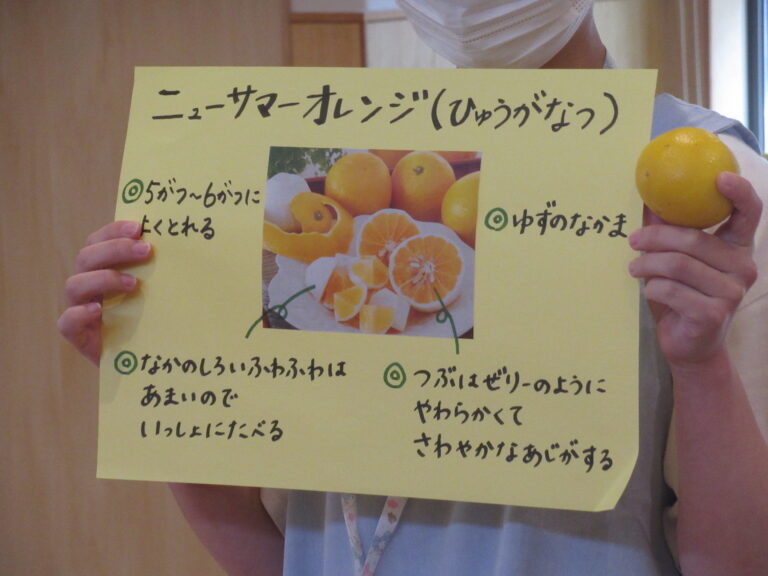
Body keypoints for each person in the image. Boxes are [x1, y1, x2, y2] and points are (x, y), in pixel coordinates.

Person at [58, 1, 768, 574]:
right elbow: (290, 557)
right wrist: (162, 371)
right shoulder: (346, 152)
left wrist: (702, 364)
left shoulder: (715, 198)